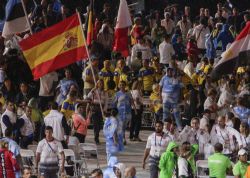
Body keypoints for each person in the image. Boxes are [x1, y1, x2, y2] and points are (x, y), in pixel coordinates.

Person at [112, 81, 134, 145]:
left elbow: (131, 101)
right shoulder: (117, 94)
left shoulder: (128, 94)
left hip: (127, 112)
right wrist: (113, 111)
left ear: (125, 86)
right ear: (119, 86)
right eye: (120, 85)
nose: (122, 86)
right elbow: (114, 103)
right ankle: (120, 139)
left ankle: (121, 138)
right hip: (119, 113)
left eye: (123, 85)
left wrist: (134, 110)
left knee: (124, 127)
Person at [88, 79, 108, 144]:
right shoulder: (94, 91)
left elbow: (106, 102)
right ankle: (96, 138)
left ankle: (97, 134)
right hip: (95, 108)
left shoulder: (105, 92)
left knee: (99, 125)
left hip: (101, 108)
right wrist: (93, 89)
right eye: (99, 83)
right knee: (95, 124)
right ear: (97, 84)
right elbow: (88, 96)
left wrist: (105, 110)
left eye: (102, 83)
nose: (101, 85)